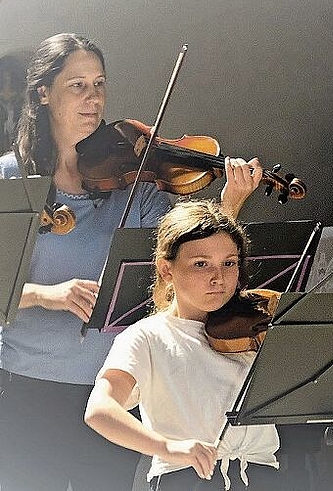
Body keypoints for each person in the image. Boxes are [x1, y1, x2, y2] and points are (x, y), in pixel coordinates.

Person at [0, 33, 262, 491]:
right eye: (77, 85)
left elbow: (190, 255)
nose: (93, 98)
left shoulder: (135, 180)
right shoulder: (10, 177)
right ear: (43, 94)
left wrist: (230, 202)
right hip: (27, 382)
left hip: (113, 390)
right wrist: (48, 295)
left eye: (99, 84)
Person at [84, 199, 282, 490]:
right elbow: (100, 410)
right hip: (188, 477)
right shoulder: (148, 336)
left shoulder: (257, 327)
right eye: (201, 264)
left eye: (229, 263)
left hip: (263, 474)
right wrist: (168, 448)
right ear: (166, 270)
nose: (219, 277)